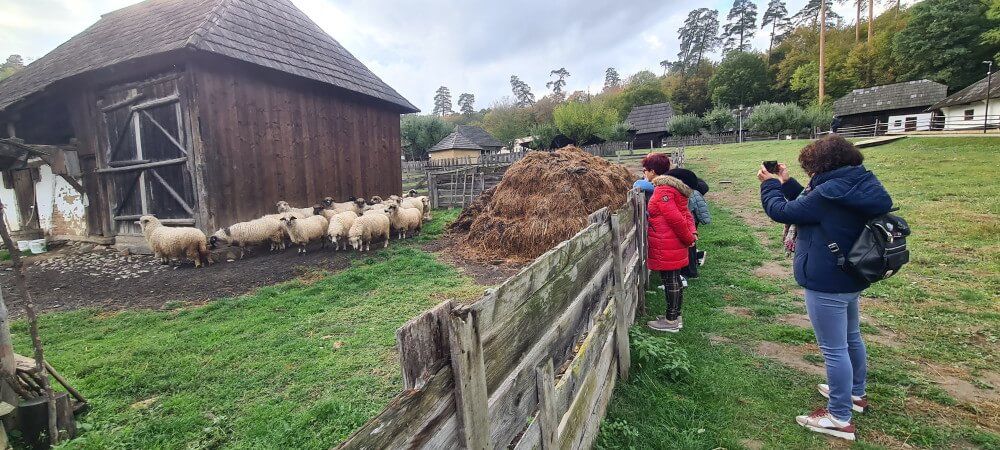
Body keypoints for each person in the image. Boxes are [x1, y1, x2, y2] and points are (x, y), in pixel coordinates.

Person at [757, 135, 893, 441]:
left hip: (827, 278)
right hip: (851, 274)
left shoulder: (830, 191)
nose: (810, 174)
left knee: (834, 349)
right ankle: (855, 394)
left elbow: (784, 211)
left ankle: (839, 417)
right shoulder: (857, 183)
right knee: (850, 338)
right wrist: (787, 183)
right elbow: (813, 207)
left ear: (821, 164)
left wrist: (769, 185)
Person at [642, 154, 697, 333]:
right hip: (672, 241)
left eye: (645, 170)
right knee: (673, 280)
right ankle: (674, 316)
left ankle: (671, 321)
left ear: (652, 172)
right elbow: (686, 214)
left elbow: (675, 219)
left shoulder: (663, 190)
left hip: (668, 241)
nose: (644, 174)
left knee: (671, 280)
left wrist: (689, 238)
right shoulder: (674, 189)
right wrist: (692, 234)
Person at [667, 168, 711, 279]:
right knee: (691, 244)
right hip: (693, 219)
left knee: (689, 244)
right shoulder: (690, 186)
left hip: (691, 219)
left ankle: (689, 271)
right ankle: (694, 263)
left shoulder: (686, 193)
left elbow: (687, 211)